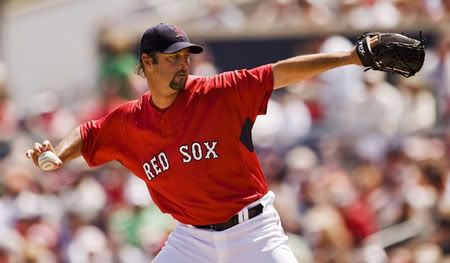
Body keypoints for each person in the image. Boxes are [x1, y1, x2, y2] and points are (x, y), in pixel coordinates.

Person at [26, 23, 375, 262]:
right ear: (147, 62)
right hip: (191, 241)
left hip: (252, 231)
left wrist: (350, 58)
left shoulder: (218, 93)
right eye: (173, 57)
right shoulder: (129, 121)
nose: (183, 64)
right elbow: (88, 133)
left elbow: (280, 72)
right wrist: (57, 154)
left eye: (185, 57)